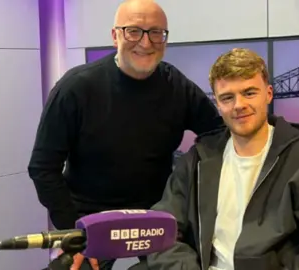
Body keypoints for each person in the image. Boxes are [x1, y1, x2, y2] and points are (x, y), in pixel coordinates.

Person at [28, 0, 222, 269]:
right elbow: (42, 168)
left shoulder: (176, 86)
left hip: (159, 215)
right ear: (114, 35)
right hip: (89, 218)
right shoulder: (75, 88)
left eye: (156, 32)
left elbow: (219, 135)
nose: (146, 42)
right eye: (133, 31)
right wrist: (72, 235)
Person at [141, 48, 299, 270]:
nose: (239, 105)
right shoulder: (197, 160)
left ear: (268, 94)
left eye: (249, 93)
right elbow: (160, 232)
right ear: (218, 105)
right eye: (228, 97)